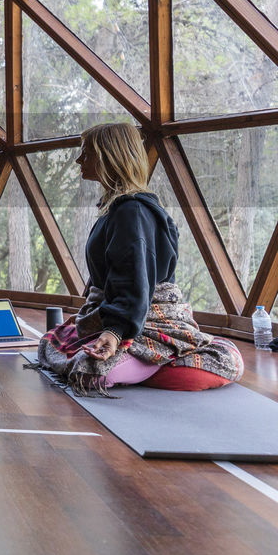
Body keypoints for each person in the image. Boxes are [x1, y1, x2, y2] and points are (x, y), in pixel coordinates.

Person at [32, 122, 243, 394]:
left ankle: (156, 362)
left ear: (110, 156)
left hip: (147, 316)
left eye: (87, 153)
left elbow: (134, 279)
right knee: (52, 342)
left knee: (89, 372)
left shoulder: (131, 211)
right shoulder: (117, 208)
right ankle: (147, 364)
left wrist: (115, 331)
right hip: (122, 310)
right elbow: (111, 272)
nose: (78, 160)